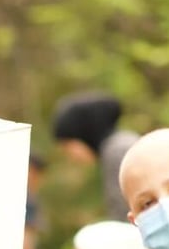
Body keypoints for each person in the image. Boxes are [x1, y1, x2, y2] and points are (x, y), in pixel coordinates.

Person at [52, 91, 139, 221]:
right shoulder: (119, 145)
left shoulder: (118, 152)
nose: (71, 156)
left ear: (83, 133)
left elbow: (125, 210)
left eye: (68, 146)